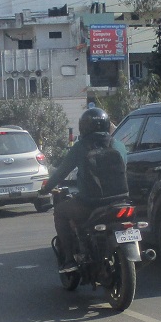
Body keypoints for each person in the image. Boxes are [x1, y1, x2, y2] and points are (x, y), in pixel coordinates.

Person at [38, 106, 128, 275]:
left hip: (90, 204)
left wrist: (46, 188)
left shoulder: (80, 147)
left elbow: (61, 172)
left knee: (60, 212)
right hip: (120, 201)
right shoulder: (119, 145)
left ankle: (70, 260)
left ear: (83, 127)